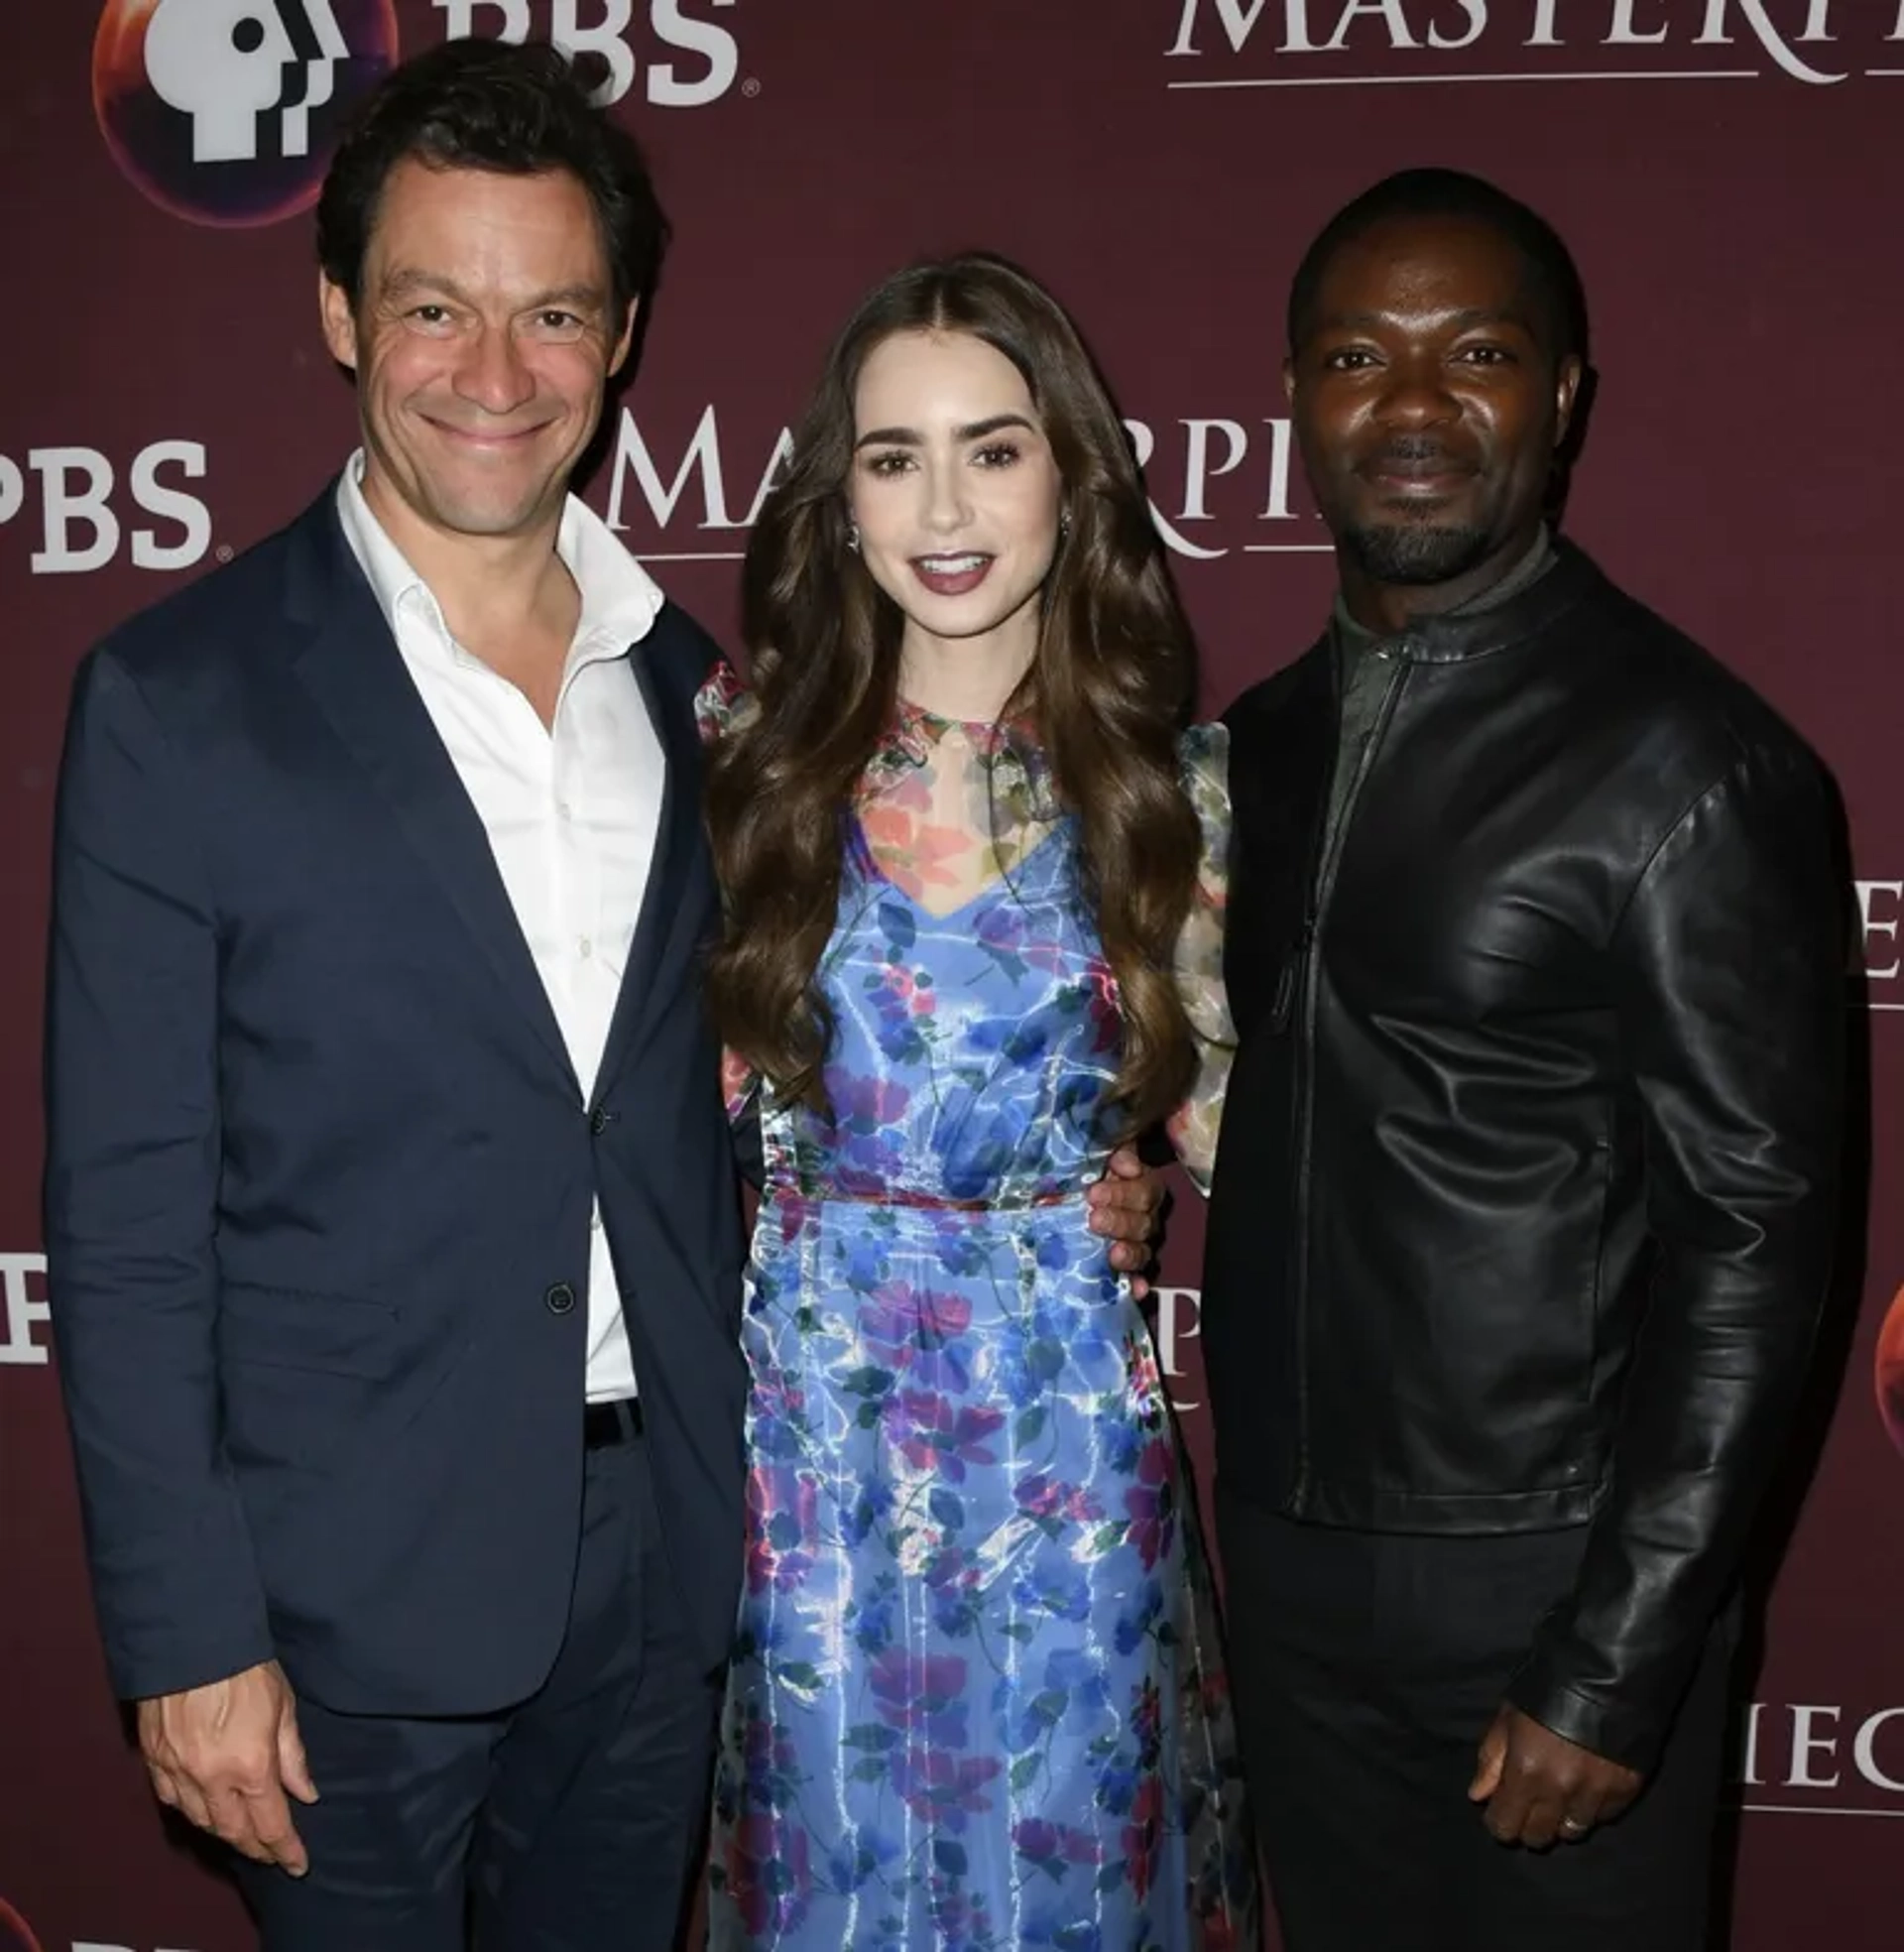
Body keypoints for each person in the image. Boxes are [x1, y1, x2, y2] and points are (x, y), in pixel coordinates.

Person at [42, 42, 1159, 1952]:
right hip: (342, 1615)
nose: (496, 373)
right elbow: (127, 1222)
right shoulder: (179, 700)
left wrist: (1070, 1191)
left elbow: (830, 1064)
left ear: (622, 333)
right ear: (336, 316)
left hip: (681, 1574)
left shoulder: (715, 701)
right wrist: (186, 1634)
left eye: (552, 313)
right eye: (433, 308)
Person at [1202, 167, 1846, 1952]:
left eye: (1475, 353)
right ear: (1295, 397)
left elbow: (1757, 1241)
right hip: (1290, 1572)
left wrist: (1620, 1659)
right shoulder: (1246, 750)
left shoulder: (1690, 766)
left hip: (1553, 1587)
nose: (1411, 408)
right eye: (1356, 356)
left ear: (1563, 395)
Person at [692, 253, 1257, 1950]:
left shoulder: (1174, 790)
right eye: (891, 456)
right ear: (838, 498)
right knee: (825, 1870)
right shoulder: (738, 763)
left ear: (1072, 480)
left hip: (1065, 1434)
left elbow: (1268, 1144)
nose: (943, 503)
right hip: (808, 1430)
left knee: (1064, 1876)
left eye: (993, 448)